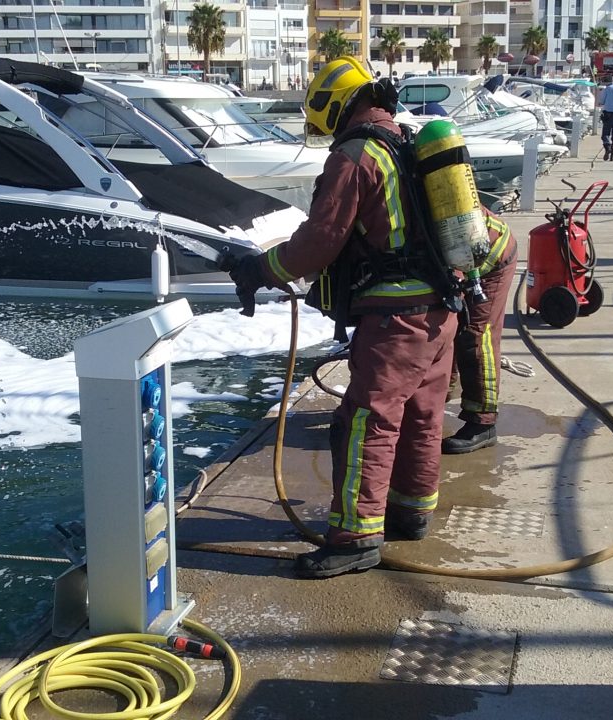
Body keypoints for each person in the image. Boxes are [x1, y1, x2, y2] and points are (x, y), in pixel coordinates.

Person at [228, 57, 459, 579]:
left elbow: (318, 245)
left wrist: (260, 267)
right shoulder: (404, 143)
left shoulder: (355, 156)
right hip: (442, 310)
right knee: (422, 416)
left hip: (397, 319)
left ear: (336, 106)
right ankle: (411, 511)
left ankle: (355, 537)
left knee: (365, 422)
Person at [442, 211, 518, 454]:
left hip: (489, 255)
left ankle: (482, 423)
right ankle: (435, 399)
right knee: (446, 326)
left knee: (475, 334)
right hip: (462, 252)